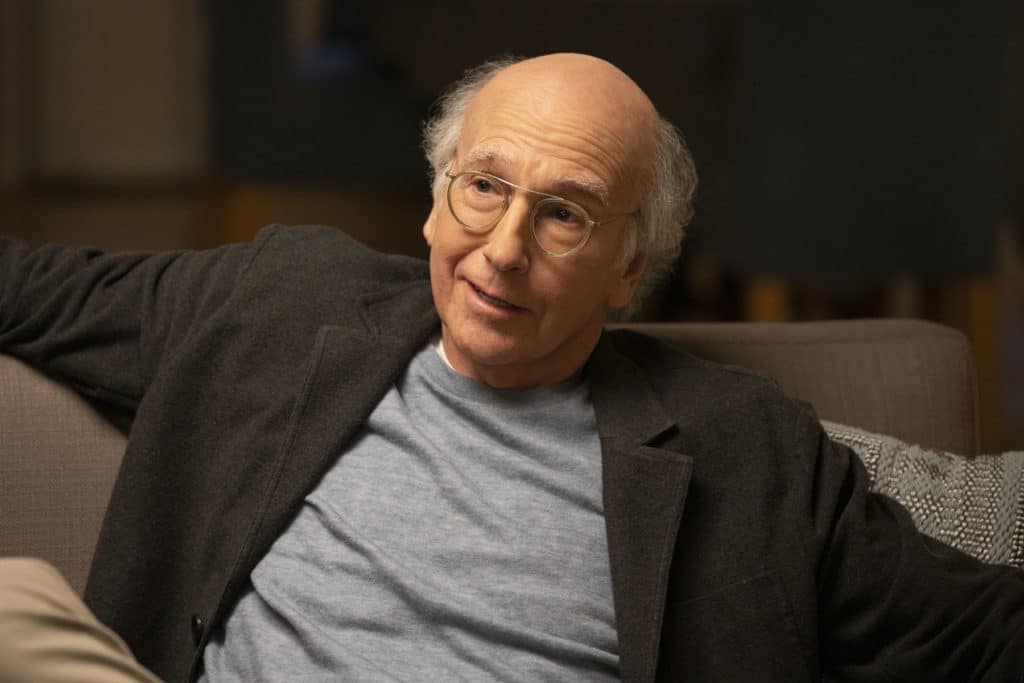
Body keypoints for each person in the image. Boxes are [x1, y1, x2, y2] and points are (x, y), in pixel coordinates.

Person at [0, 53, 1022, 683]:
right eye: (484, 186)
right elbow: (28, 288)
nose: (500, 250)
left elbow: (982, 632)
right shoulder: (284, 300)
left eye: (564, 213)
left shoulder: (749, 450)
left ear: (630, 267)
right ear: (436, 198)